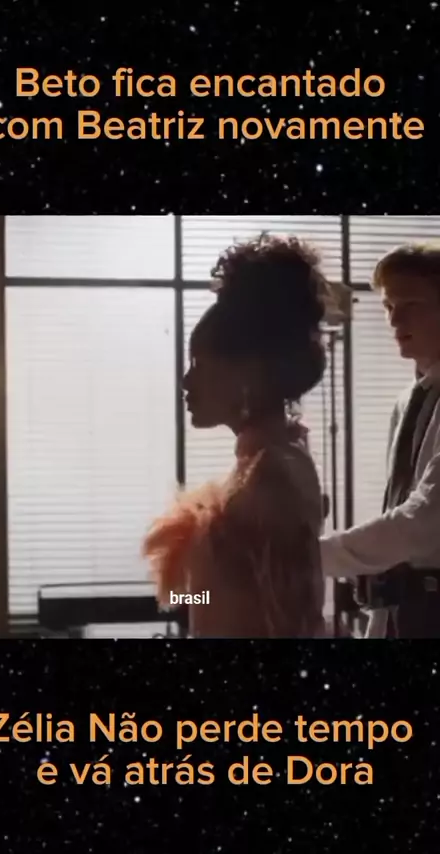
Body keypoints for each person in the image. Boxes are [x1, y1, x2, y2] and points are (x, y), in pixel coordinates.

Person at [142, 232, 340, 638]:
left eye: (200, 365)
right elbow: (219, 596)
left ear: (246, 375)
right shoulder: (262, 461)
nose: (186, 382)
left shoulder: (272, 473)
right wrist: (183, 597)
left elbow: (293, 620)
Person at [321, 244, 440, 638]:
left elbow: (424, 521)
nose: (394, 320)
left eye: (411, 305)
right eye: (389, 306)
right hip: (401, 611)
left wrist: (310, 556)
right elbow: (400, 506)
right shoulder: (409, 401)